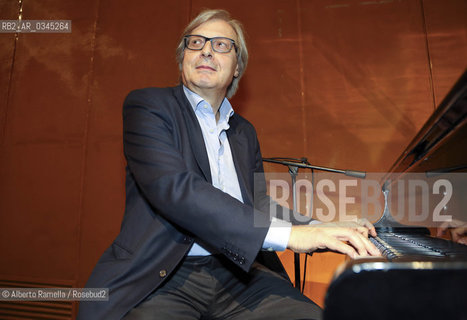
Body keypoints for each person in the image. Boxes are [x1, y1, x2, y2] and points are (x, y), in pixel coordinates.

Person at [77, 9, 380, 320]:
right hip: (163, 276)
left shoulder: (244, 132)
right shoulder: (149, 107)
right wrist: (291, 237)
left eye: (221, 45)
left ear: (237, 67)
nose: (206, 50)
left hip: (237, 273)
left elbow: (258, 202)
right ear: (184, 58)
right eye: (196, 43)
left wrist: (316, 228)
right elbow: (178, 190)